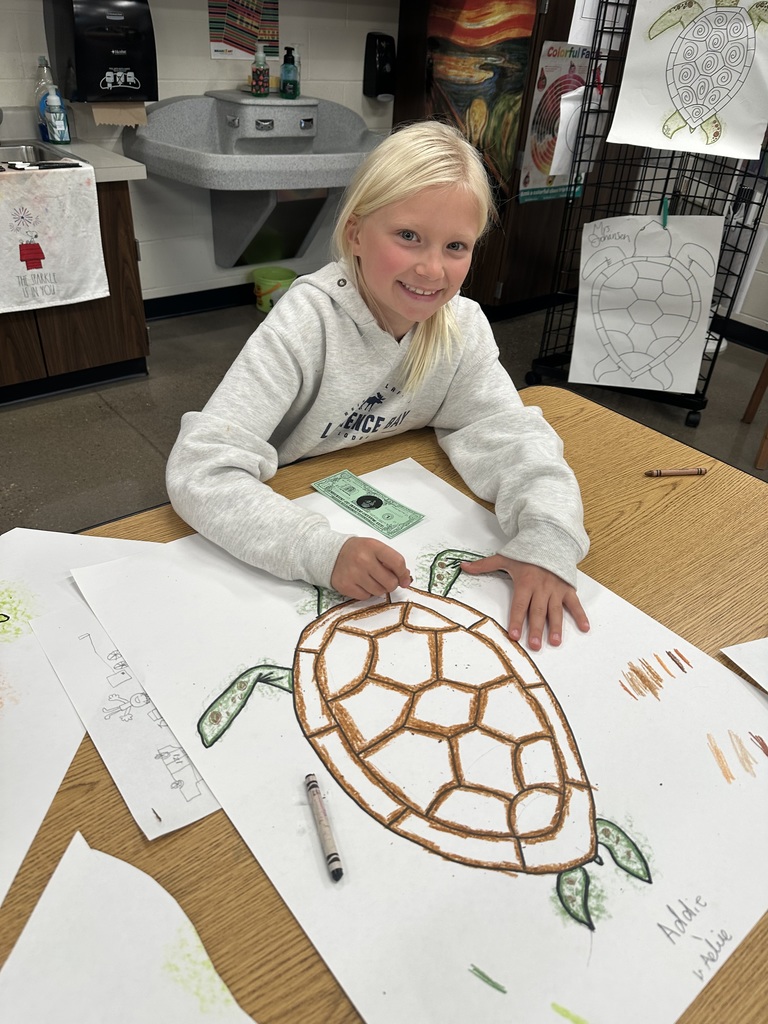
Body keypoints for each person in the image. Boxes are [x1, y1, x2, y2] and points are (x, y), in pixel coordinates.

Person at [166, 120, 590, 651]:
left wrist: (547, 537)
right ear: (356, 234)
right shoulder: (307, 321)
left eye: (456, 246)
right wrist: (317, 549)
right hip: (285, 523)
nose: (432, 269)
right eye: (408, 236)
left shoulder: (462, 328)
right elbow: (201, 467)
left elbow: (510, 437)